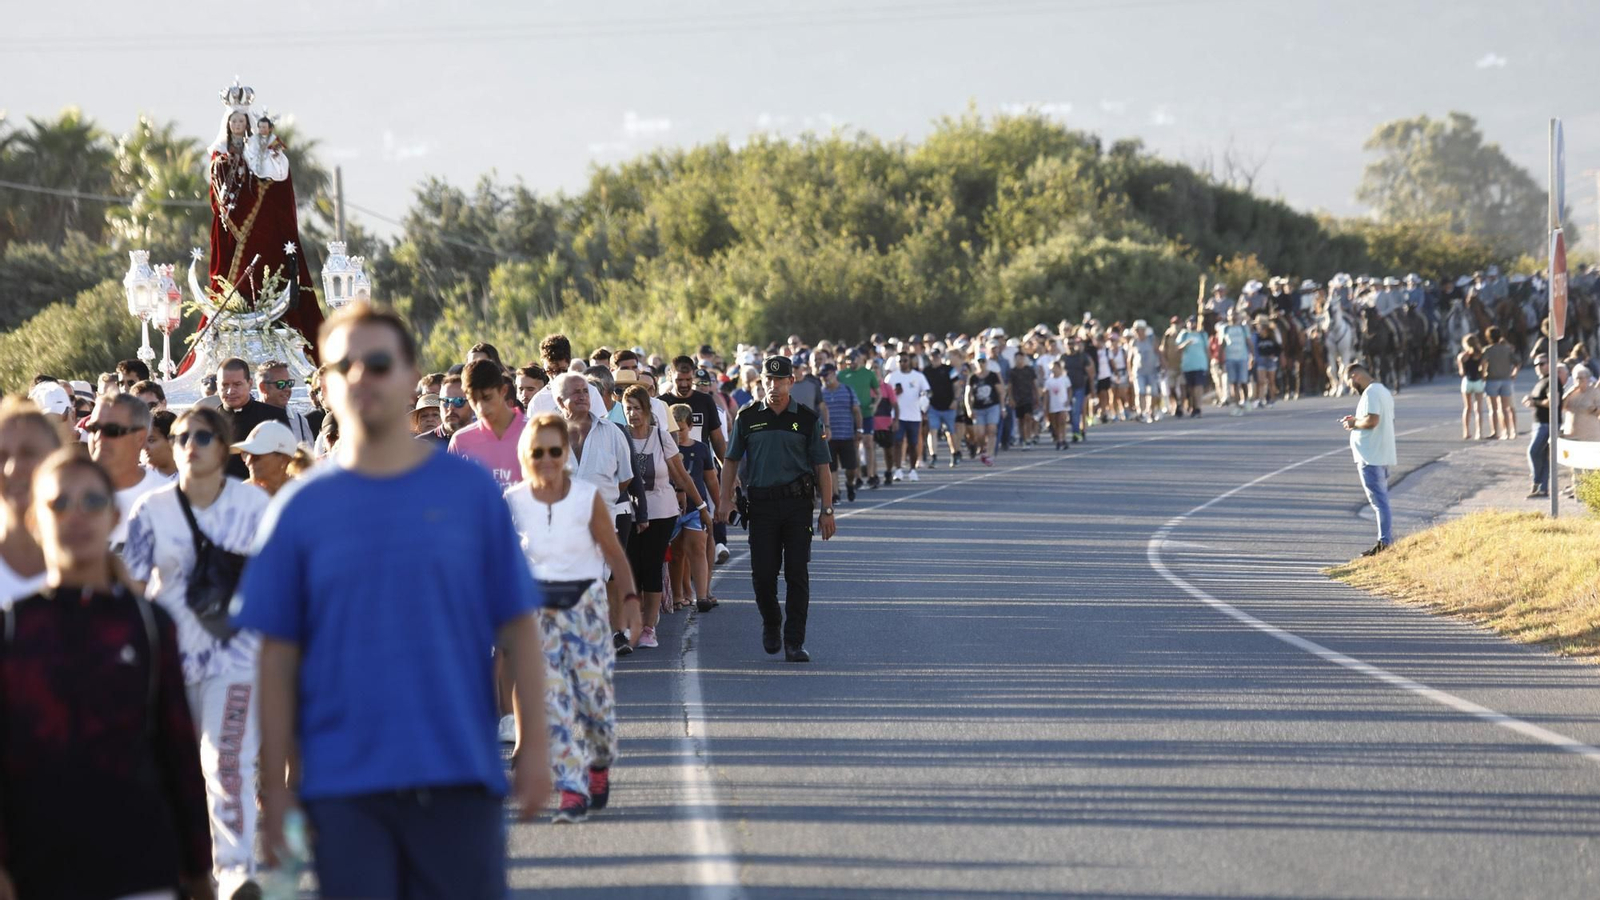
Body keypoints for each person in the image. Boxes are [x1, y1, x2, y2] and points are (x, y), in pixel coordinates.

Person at [233, 304, 551, 896]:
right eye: (343, 365)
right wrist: (276, 788)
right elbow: (275, 656)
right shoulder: (298, 511)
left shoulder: (470, 492)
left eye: (378, 362)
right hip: (344, 787)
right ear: (323, 386)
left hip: (458, 774)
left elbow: (518, 625)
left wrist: (534, 745)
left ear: (410, 378)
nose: (361, 377)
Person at [0, 450, 213, 900]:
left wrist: (199, 870)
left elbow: (178, 753)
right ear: (36, 519)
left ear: (114, 515)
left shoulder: (148, 623)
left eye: (92, 502)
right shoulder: (13, 629)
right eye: (59, 503)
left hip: (143, 866)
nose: (76, 516)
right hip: (40, 871)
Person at [125, 406, 272, 898]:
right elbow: (133, 586)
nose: (191, 444)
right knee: (174, 771)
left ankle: (234, 871)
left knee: (227, 761)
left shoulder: (253, 508)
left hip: (237, 659)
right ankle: (186, 872)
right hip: (168, 663)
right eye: (182, 436)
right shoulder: (151, 511)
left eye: (203, 436)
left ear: (224, 444)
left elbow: (279, 585)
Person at [505, 413, 641, 824]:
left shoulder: (586, 497)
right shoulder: (512, 501)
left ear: (566, 453)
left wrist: (631, 599)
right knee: (554, 705)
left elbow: (614, 553)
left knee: (594, 705)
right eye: (537, 452)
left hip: (586, 609)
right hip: (536, 616)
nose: (546, 459)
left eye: (554, 451)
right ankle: (571, 789)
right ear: (526, 456)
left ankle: (598, 764)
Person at [716, 356, 835, 663]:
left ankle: (794, 641)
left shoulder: (807, 418)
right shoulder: (748, 416)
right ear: (761, 383)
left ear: (790, 382)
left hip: (797, 506)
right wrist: (725, 499)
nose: (774, 386)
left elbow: (822, 467)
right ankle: (771, 621)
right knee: (763, 574)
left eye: (780, 380)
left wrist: (827, 510)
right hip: (762, 506)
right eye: (768, 380)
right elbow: (731, 461)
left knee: (797, 573)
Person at [553, 371, 639, 654]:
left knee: (603, 580)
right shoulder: (548, 436)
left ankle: (614, 633)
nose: (581, 396)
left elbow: (625, 478)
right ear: (559, 400)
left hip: (605, 521)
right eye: (574, 392)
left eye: (585, 391)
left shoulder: (612, 432)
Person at [620, 383, 707, 649]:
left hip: (661, 511)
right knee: (630, 568)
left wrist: (701, 505)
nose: (633, 414)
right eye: (628, 409)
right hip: (629, 514)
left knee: (652, 566)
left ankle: (649, 627)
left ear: (647, 410)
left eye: (637, 408)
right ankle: (631, 623)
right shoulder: (619, 436)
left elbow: (681, 474)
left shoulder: (660, 437)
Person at [86, 393, 167, 553]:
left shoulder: (169, 498)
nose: (98, 437)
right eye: (94, 428)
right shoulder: (64, 493)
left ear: (140, 438)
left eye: (112, 430)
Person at [0, 398, 62, 606]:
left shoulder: (90, 561)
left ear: (58, 458)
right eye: (1, 456)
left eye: (28, 453)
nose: (12, 468)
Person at [668, 403, 722, 613]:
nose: (678, 434)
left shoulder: (700, 448)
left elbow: (710, 478)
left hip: (695, 508)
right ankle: (679, 596)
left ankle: (702, 595)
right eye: (674, 429)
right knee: (676, 553)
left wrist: (718, 505)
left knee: (698, 548)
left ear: (690, 426)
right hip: (671, 509)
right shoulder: (667, 448)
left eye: (681, 429)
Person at [1340, 363, 1397, 556]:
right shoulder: (1382, 390)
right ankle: (1385, 540)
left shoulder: (1371, 393)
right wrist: (1356, 421)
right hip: (1378, 452)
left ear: (1355, 376)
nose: (1350, 386)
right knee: (1380, 500)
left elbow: (1373, 421)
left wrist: (1354, 423)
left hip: (1371, 455)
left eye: (1348, 381)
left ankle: (1385, 542)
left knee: (1379, 501)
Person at [449, 359, 527, 490]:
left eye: (487, 398)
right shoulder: (460, 441)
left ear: (503, 391)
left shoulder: (535, 431)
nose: (481, 408)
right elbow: (452, 494)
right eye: (473, 400)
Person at [216, 358, 290, 480]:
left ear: (249, 384)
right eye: (224, 385)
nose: (230, 391)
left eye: (237, 384)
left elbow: (286, 459)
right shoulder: (209, 420)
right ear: (217, 385)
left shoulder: (273, 416)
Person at [819, 364, 862, 501]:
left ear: (833, 373)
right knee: (831, 468)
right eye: (822, 376)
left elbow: (856, 411)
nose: (825, 378)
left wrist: (859, 430)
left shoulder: (847, 390)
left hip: (847, 435)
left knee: (851, 469)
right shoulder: (820, 393)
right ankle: (835, 494)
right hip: (828, 437)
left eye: (826, 375)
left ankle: (850, 484)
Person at [235, 420, 312, 496]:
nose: (248, 462)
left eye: (256, 456)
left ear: (284, 459)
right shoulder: (240, 496)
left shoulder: (306, 495)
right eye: (246, 454)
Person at [885, 353, 930, 481]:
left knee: (913, 444)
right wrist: (895, 393)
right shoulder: (892, 377)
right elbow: (885, 394)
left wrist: (924, 399)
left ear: (910, 362)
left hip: (914, 415)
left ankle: (912, 470)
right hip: (897, 416)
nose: (903, 363)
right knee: (897, 442)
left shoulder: (918, 376)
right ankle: (898, 469)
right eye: (900, 361)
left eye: (905, 361)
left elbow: (926, 391)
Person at [257, 360, 316, 449]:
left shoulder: (299, 422)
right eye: (281, 384)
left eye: (289, 383)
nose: (287, 389)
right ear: (263, 388)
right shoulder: (247, 418)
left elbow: (308, 458)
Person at [922, 348, 962, 468]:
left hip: (949, 405)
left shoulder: (949, 370)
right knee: (933, 430)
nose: (935, 358)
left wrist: (955, 400)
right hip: (933, 406)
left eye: (937, 356)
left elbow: (957, 386)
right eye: (932, 356)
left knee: (950, 432)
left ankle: (954, 453)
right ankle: (933, 456)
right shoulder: (926, 371)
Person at [1523, 355, 1554, 499]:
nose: (1538, 367)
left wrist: (1534, 402)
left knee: (1533, 452)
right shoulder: (1541, 381)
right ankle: (1542, 488)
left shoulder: (1550, 381)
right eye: (1536, 364)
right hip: (1538, 422)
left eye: (1542, 364)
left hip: (1547, 423)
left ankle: (1537, 482)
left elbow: (1552, 401)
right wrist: (1531, 400)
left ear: (1549, 364)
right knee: (1542, 456)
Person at [964, 356, 1004, 467]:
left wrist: (1003, 407)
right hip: (978, 408)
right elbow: (968, 394)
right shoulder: (973, 377)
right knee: (979, 434)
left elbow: (1000, 392)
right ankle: (982, 448)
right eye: (979, 361)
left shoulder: (992, 376)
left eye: (983, 361)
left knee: (992, 429)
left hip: (992, 406)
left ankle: (990, 454)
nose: (981, 364)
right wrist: (969, 408)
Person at [1482, 326, 1520, 440]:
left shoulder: (1488, 350)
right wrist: (1514, 373)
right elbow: (1517, 362)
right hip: (1506, 380)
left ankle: (1495, 431)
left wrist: (1483, 373)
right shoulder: (1507, 349)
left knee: (1493, 409)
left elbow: (1483, 363)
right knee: (1505, 408)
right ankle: (1507, 431)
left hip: (1492, 380)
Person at [417, 374, 474, 446]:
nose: (450, 407)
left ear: (472, 404)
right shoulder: (420, 446)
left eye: (458, 401)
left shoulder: (486, 441)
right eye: (446, 401)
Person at [1177, 316, 1209, 418]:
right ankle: (1193, 406)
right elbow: (1177, 348)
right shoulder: (1184, 334)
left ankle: (1198, 408)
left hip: (1200, 364)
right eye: (1190, 323)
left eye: (1193, 322)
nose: (1192, 324)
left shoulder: (1202, 335)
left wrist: (1209, 362)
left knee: (1198, 387)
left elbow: (1207, 349)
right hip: (1188, 365)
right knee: (1190, 389)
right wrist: (1186, 343)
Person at [1458, 334, 1489, 440]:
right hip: (1478, 381)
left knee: (1467, 407)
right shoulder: (1480, 354)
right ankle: (1479, 432)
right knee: (1478, 409)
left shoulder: (1462, 356)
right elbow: (1484, 370)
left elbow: (1462, 373)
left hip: (1467, 382)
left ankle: (1466, 432)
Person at [1044, 358, 1072, 449]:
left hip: (1062, 404)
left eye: (1056, 367)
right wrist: (1046, 405)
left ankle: (1062, 439)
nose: (1054, 370)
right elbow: (1047, 394)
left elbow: (1069, 390)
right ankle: (1058, 437)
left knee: (1062, 422)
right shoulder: (1049, 381)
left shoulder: (1064, 379)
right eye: (1053, 368)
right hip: (1053, 404)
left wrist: (1068, 400)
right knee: (1055, 423)